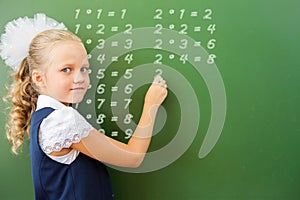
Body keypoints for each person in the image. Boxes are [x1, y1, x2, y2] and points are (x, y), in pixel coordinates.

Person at [0, 14, 167, 199]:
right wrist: (151, 104)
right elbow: (133, 157)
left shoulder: (47, 116)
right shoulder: (62, 121)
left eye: (84, 69)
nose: (79, 78)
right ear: (39, 78)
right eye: (66, 70)